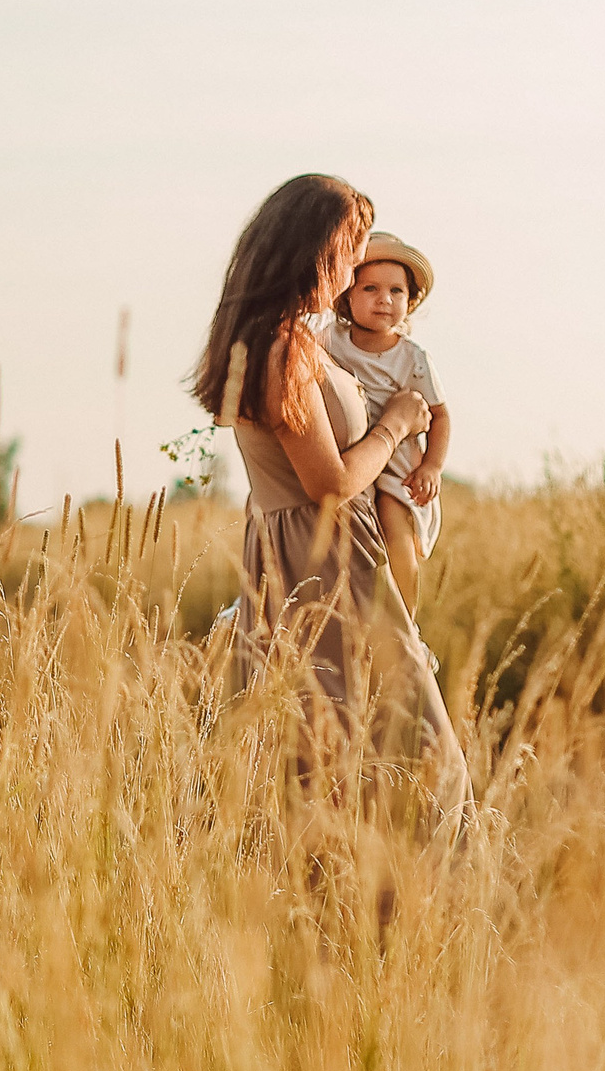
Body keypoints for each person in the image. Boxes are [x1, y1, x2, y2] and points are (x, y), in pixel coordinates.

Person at [190, 175, 469, 821]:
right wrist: (396, 424)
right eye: (349, 254)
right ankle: (401, 880)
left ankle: (346, 881)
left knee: (331, 748)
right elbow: (331, 484)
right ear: (313, 252)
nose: (353, 271)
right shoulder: (282, 347)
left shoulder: (287, 338)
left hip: (312, 553)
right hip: (325, 558)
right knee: (419, 753)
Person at [321, 232, 448, 605]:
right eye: (370, 288)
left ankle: (405, 619)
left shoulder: (412, 358)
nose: (385, 299)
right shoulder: (330, 340)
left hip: (396, 469)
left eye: (396, 291)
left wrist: (432, 467)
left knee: (396, 533)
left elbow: (440, 415)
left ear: (410, 301)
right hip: (350, 460)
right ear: (347, 296)